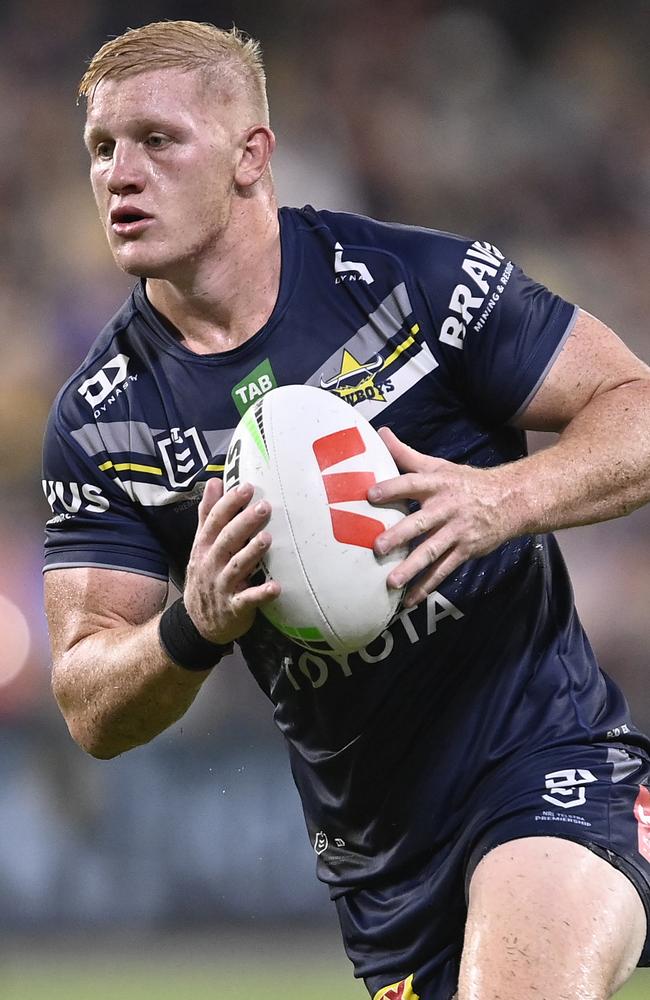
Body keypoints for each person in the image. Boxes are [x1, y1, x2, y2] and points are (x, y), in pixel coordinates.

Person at [41, 19, 650, 1000]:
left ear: (251, 156)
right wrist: (190, 627)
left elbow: (635, 407)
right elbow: (85, 696)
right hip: (381, 871)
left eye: (157, 140)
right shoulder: (104, 419)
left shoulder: (409, 284)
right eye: (102, 149)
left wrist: (501, 499)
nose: (120, 172)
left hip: (546, 758)